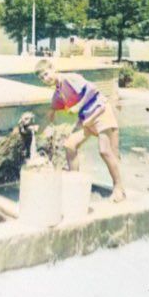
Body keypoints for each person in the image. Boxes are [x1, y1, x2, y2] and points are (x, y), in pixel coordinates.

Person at [35, 58, 126, 202]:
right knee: (70, 146)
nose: (45, 79)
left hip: (100, 110)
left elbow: (92, 90)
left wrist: (78, 106)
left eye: (46, 74)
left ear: (53, 68)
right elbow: (50, 114)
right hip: (86, 119)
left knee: (105, 151)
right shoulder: (58, 94)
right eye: (41, 78)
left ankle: (118, 188)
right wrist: (37, 131)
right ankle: (74, 184)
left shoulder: (70, 78)